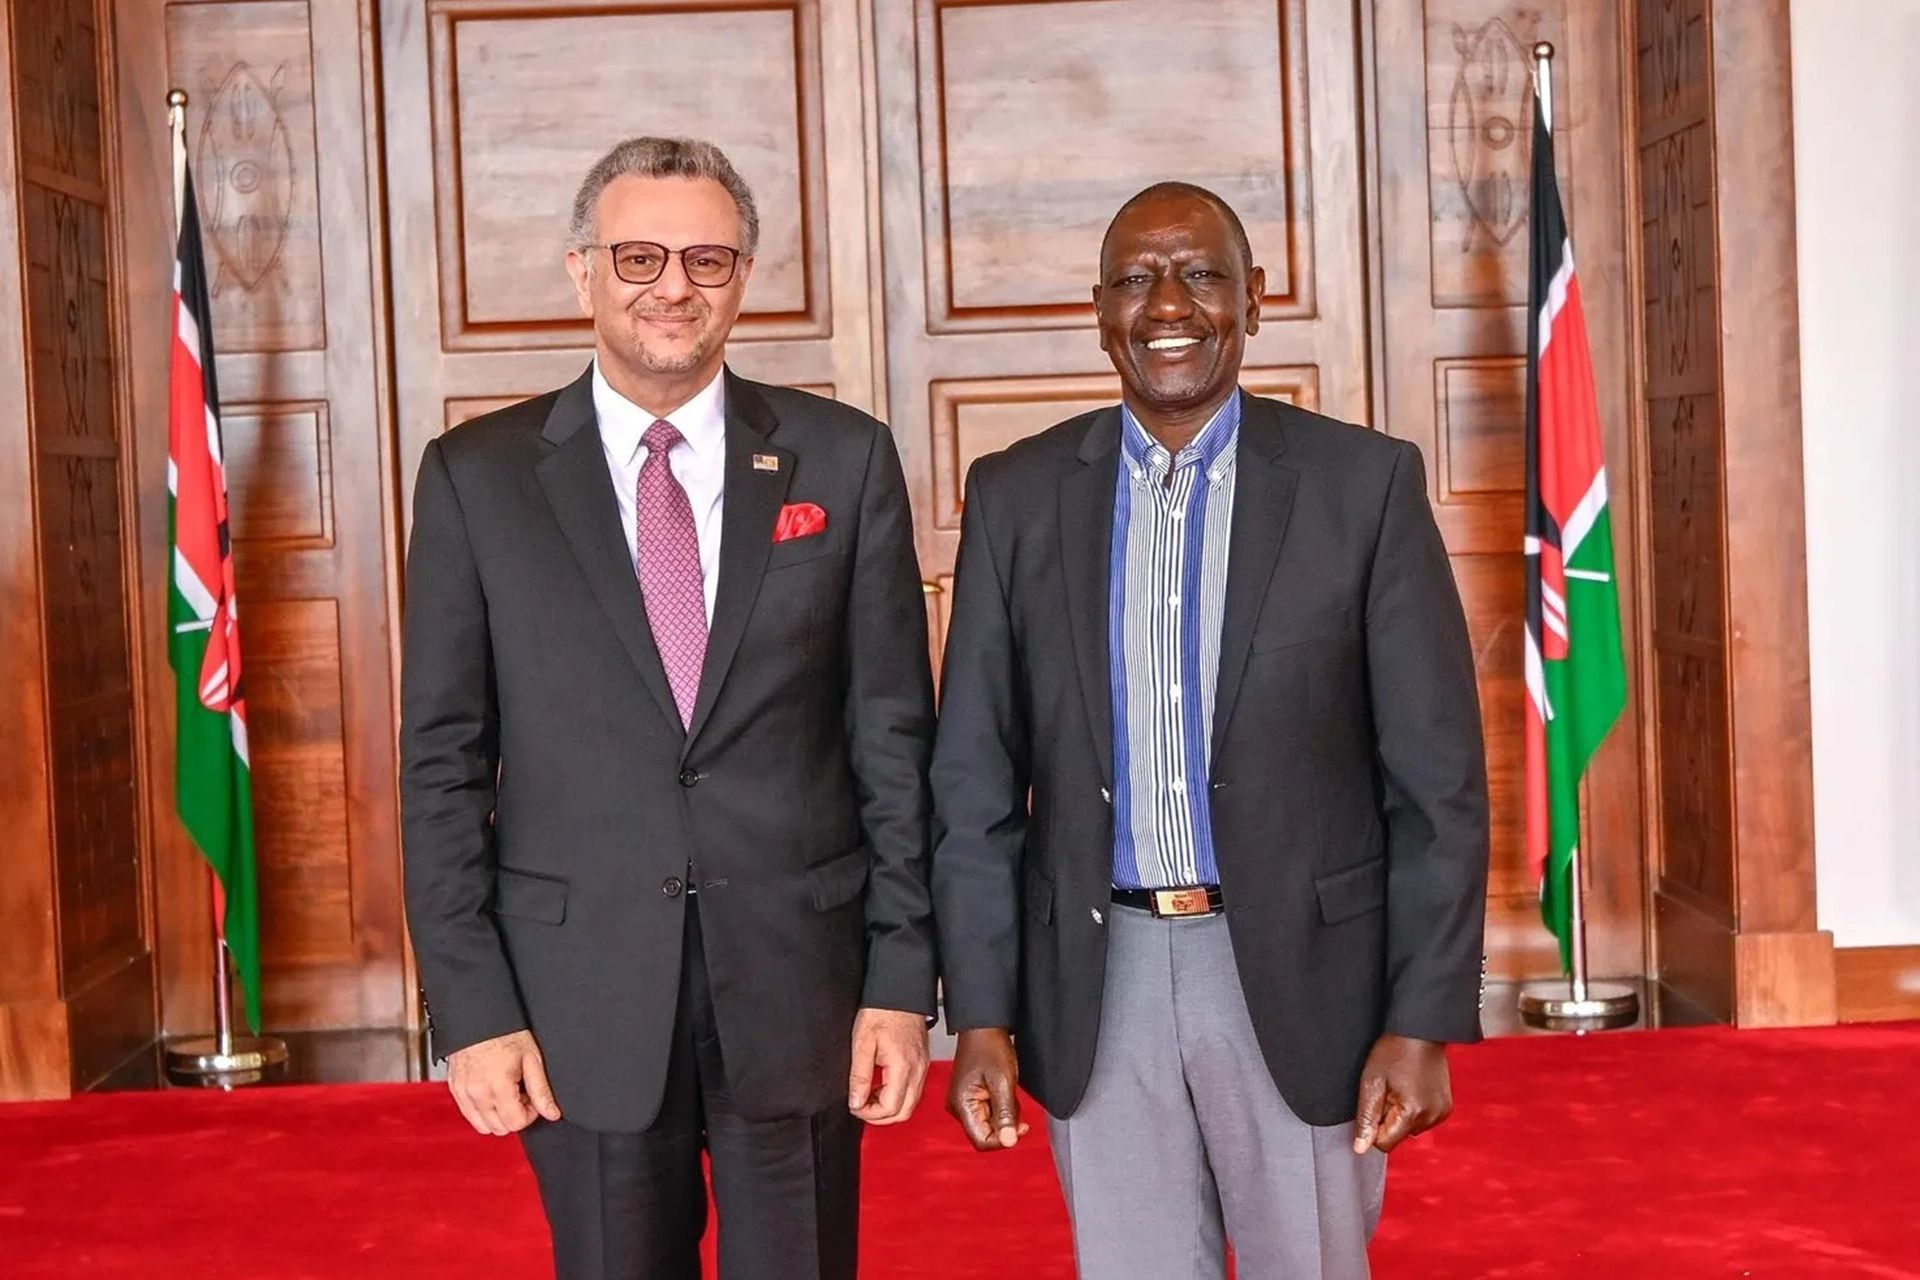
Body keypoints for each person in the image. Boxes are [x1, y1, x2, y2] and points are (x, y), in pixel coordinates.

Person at [930, 181, 1490, 1278]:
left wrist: (1422, 1016)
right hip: (1101, 983)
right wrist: (981, 1012)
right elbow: (974, 785)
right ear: (1101, 311)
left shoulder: (1362, 486)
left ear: (1254, 299)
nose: (1168, 304)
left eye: (1199, 274)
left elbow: (1438, 785)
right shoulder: (1016, 496)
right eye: (1136, 279)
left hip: (1305, 978)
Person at [399, 136, 936, 1280]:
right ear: (582, 272)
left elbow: (892, 736)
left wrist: (901, 981)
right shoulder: (476, 476)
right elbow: (443, 762)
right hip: (577, 992)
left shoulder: (843, 460)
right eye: (639, 256)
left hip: (799, 977)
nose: (672, 286)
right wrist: (472, 1006)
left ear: (742, 277)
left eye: (706, 258)